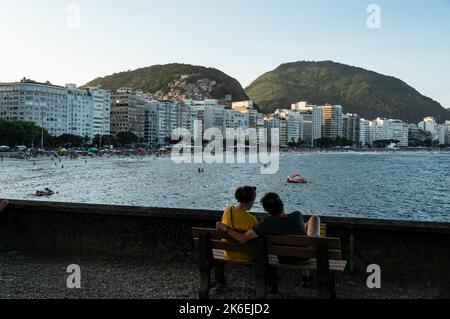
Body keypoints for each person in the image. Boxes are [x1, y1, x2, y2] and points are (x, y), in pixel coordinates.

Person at [217, 193, 321, 263]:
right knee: (314, 218)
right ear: (282, 205)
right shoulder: (297, 216)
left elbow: (242, 238)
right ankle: (313, 239)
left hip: (285, 258)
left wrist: (225, 228)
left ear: (267, 211)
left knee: (304, 227)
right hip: (308, 256)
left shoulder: (266, 224)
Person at [221, 186, 258, 261]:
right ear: (250, 201)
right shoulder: (251, 219)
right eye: (253, 201)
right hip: (245, 255)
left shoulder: (228, 210)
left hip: (228, 252)